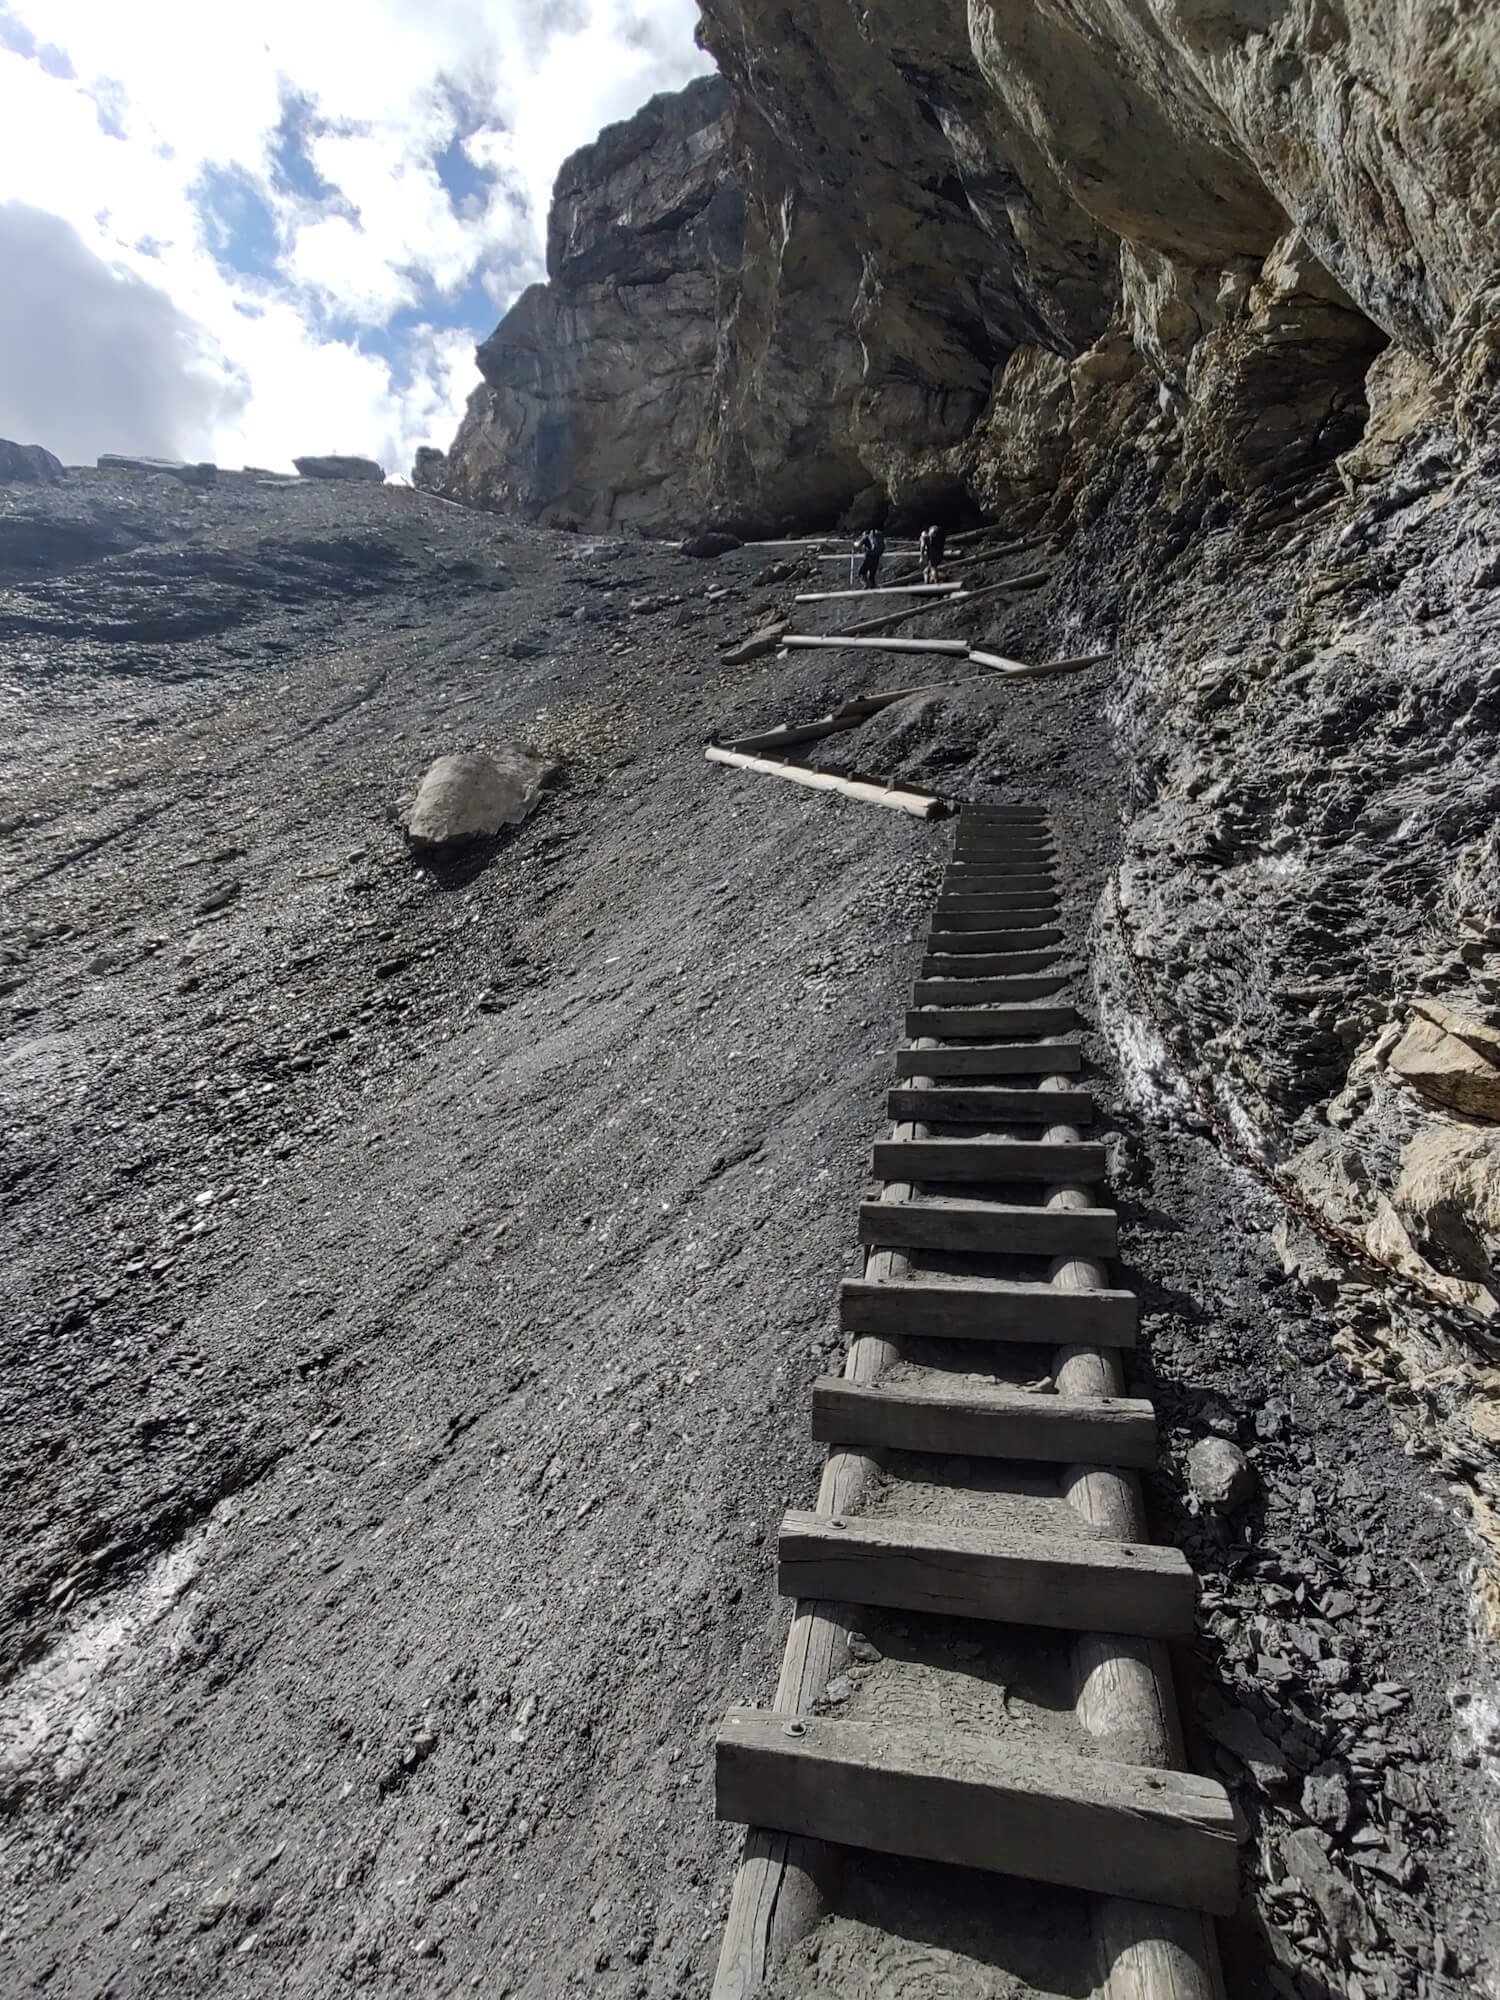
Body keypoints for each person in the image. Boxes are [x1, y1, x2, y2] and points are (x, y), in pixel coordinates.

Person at [858, 525, 885, 589]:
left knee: (861, 572)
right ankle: (873, 587)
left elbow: (858, 545)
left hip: (869, 557)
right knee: (872, 574)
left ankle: (866, 584)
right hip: (876, 557)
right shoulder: (877, 537)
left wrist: (855, 545)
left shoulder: (866, 537)